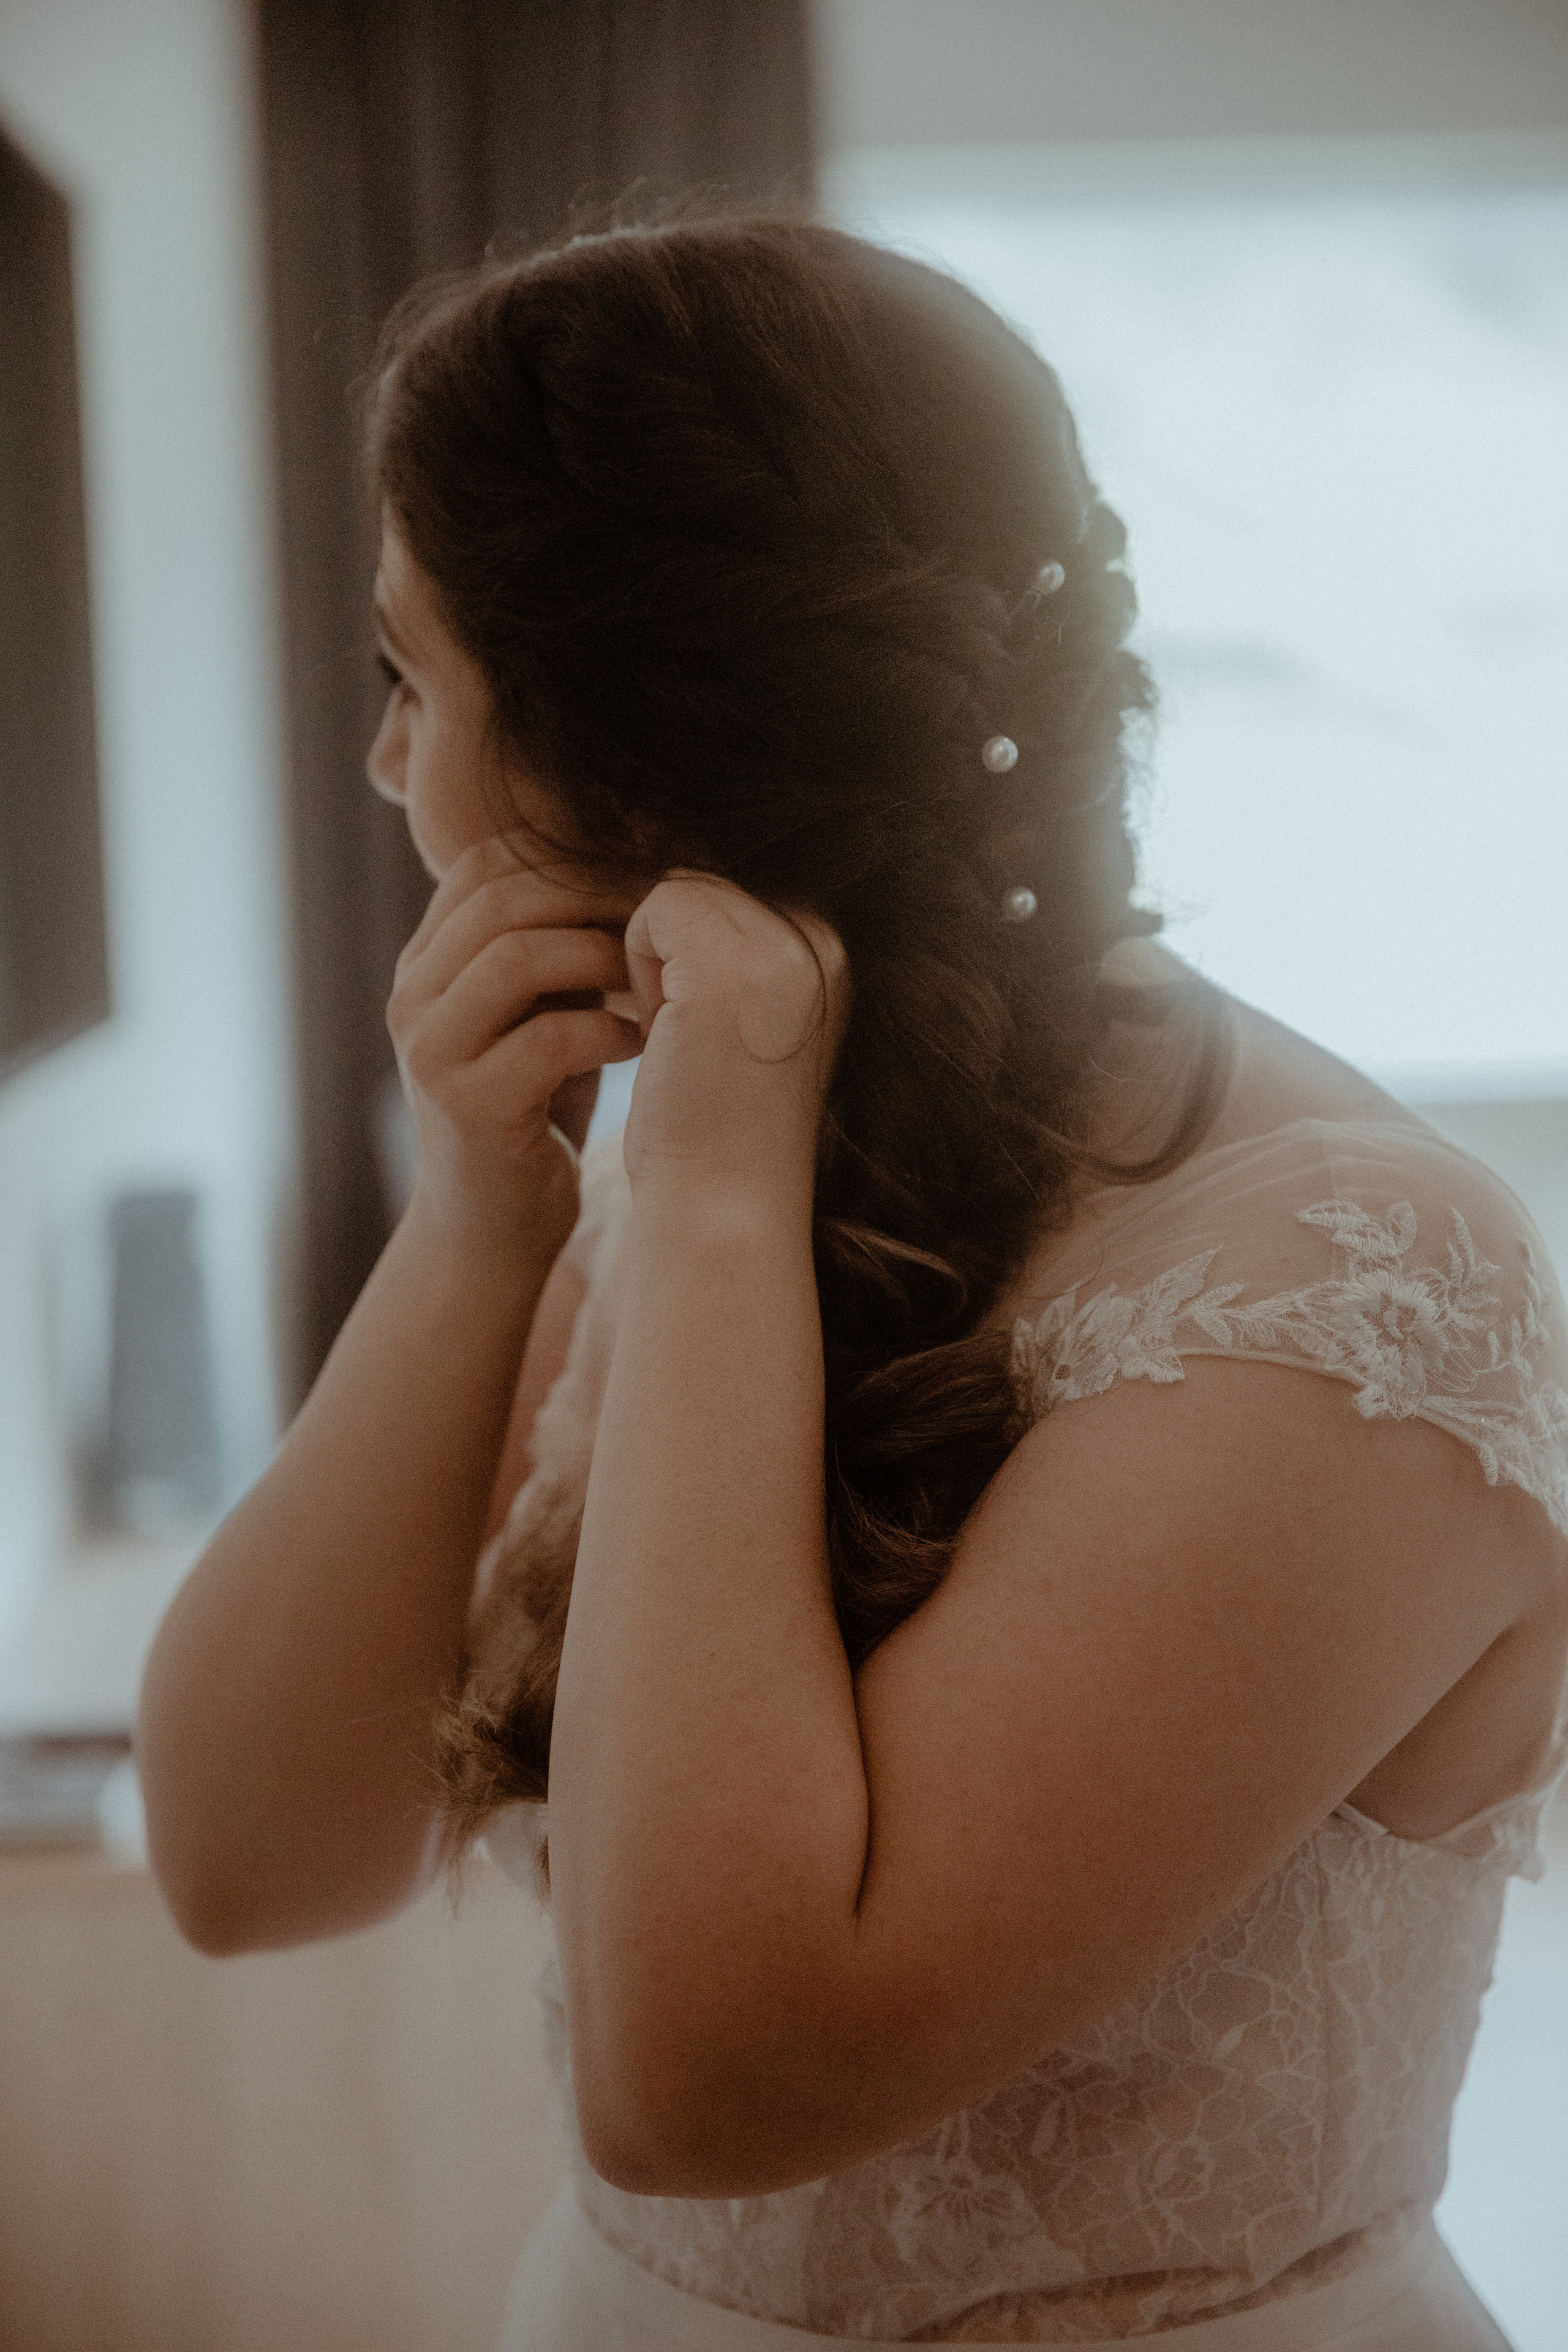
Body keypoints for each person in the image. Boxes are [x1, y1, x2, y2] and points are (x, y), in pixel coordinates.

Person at [138, 218, 1568, 2351]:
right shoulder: (701, 1123)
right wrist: (474, 1227)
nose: (381, 769)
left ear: (633, 748)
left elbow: (709, 2083)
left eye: (409, 681)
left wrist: (711, 1213)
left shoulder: (1357, 1285)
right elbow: (251, 1862)